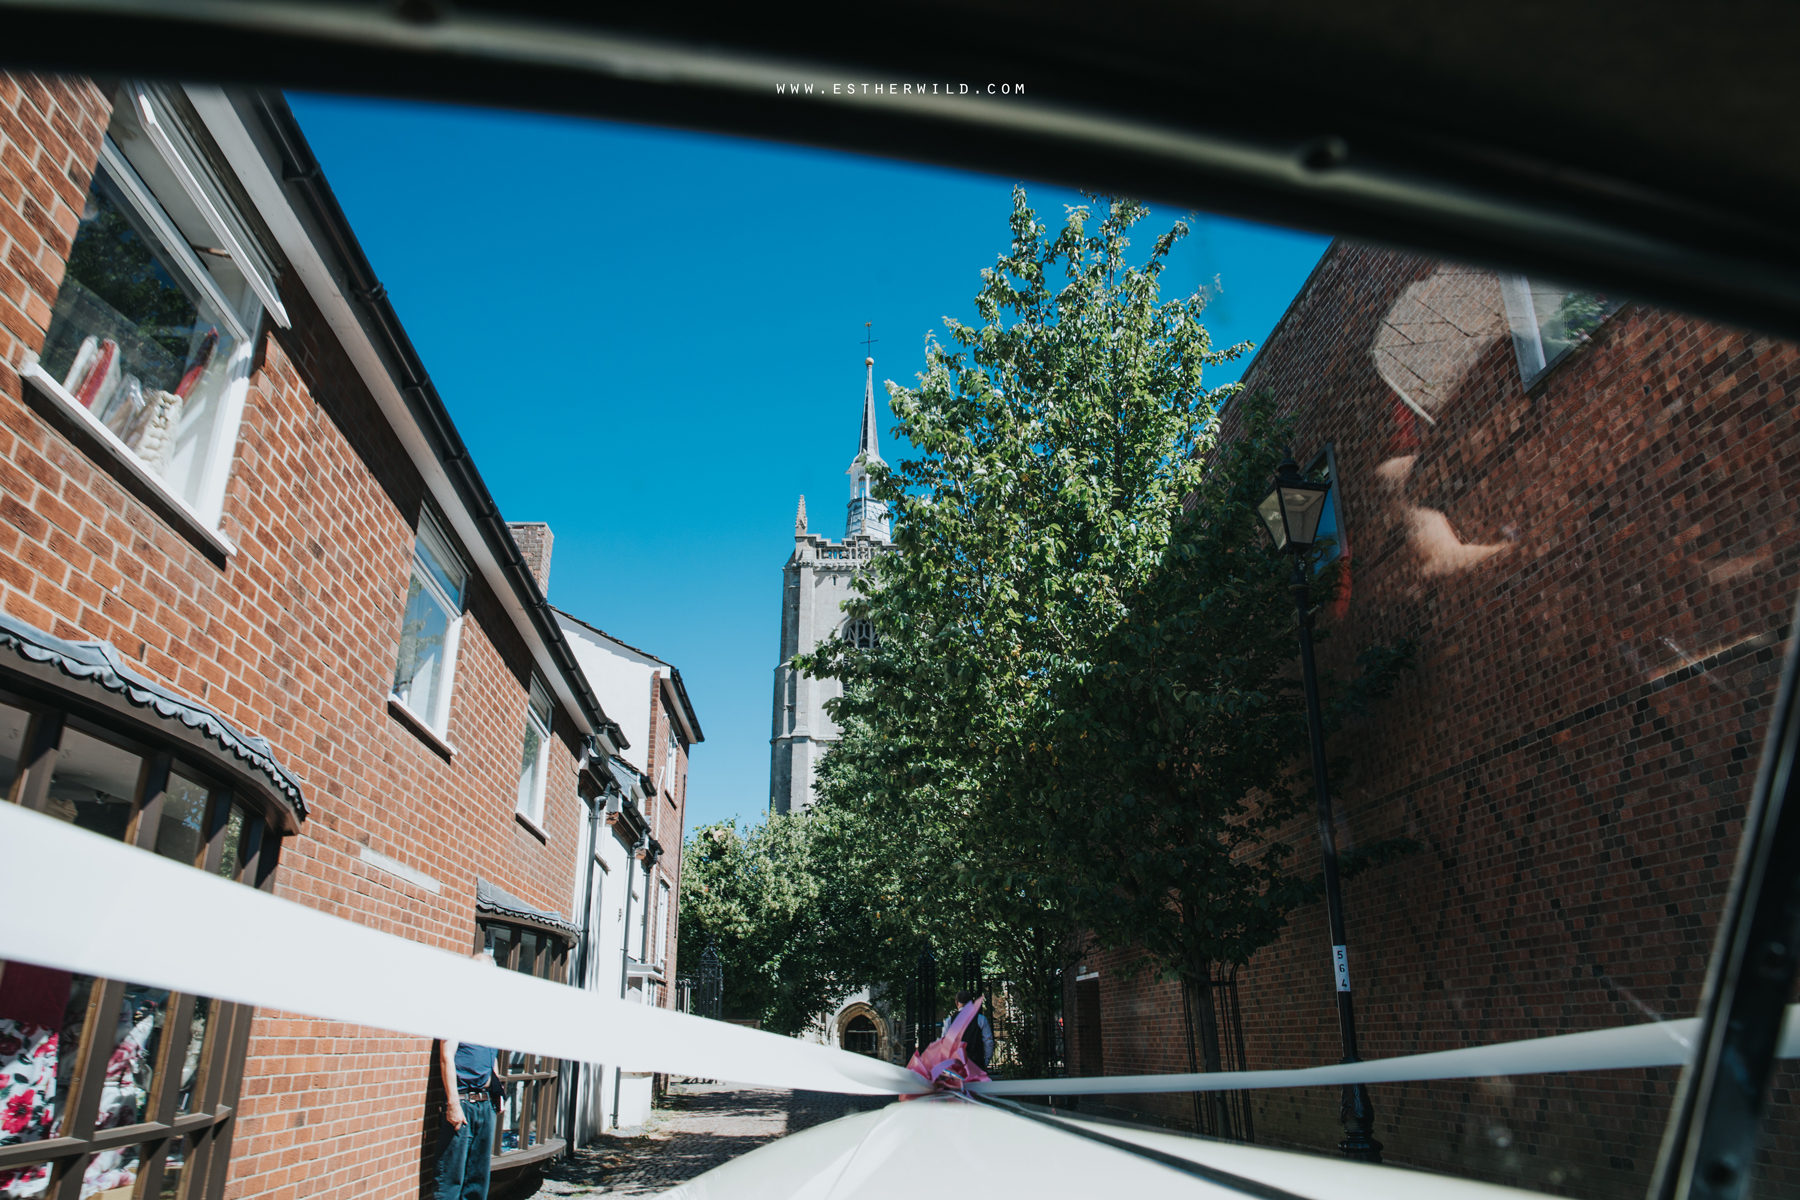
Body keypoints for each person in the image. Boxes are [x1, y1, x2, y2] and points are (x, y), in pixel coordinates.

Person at [436, 950, 503, 1200]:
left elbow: (491, 1056)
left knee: (478, 1179)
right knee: (450, 1177)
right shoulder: (456, 1008)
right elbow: (446, 1056)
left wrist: (498, 1092)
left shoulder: (492, 1015)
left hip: (485, 1104)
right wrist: (453, 1104)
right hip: (462, 1103)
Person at [941, 990, 994, 1071]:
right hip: (976, 1062)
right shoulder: (981, 1019)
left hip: (956, 1064)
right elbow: (988, 1041)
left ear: (956, 1003)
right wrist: (986, 1061)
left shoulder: (949, 1021)